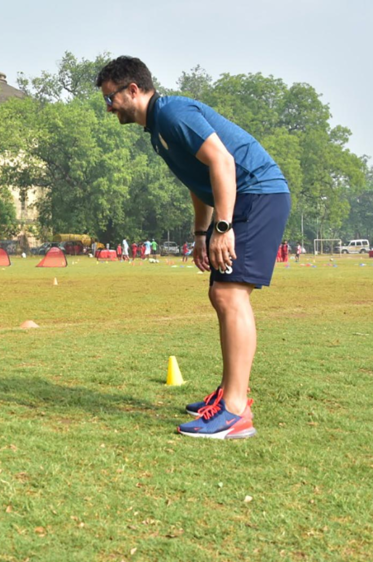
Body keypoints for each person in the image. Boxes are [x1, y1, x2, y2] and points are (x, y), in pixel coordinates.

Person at [97, 56, 291, 439]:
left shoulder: (171, 114)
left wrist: (223, 226)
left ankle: (235, 412)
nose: (109, 108)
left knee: (230, 294)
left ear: (133, 90)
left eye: (111, 98)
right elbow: (197, 177)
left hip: (257, 194)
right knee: (221, 295)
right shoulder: (158, 129)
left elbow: (222, 162)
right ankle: (230, 396)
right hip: (244, 197)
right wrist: (202, 233)